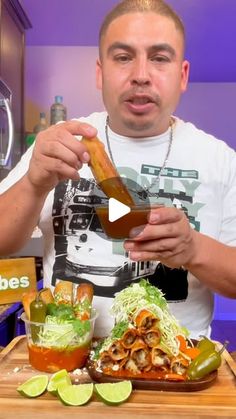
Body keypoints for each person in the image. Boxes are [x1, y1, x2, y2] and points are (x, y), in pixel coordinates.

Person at [0, 0, 236, 338]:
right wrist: (34, 183)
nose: (141, 75)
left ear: (182, 75)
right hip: (67, 363)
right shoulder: (60, 143)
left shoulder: (220, 159)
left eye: (159, 57)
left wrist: (194, 249)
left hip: (178, 371)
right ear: (100, 72)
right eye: (123, 57)